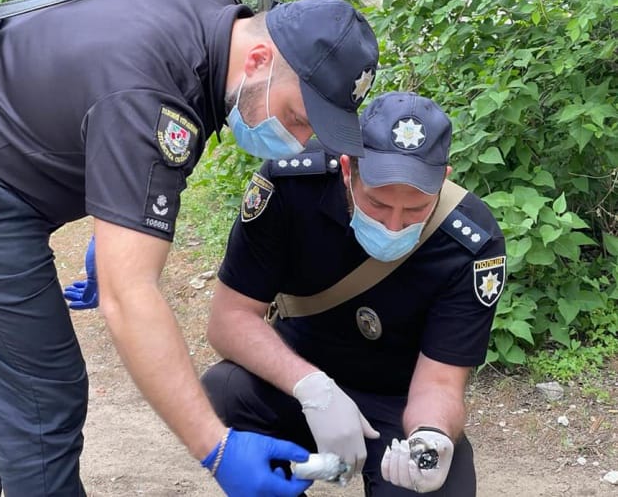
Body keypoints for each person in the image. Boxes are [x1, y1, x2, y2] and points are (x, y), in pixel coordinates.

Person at [0, 0, 379, 494]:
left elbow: (100, 85)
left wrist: (119, 219)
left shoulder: (210, 9)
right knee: (42, 404)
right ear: (259, 60)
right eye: (298, 118)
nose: (299, 142)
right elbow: (129, 297)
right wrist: (217, 447)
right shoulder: (152, 96)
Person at [199, 92, 507, 495]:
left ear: (443, 180)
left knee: (435, 479)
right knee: (225, 393)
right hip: (297, 381)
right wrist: (312, 387)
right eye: (377, 203)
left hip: (399, 403)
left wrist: (431, 435)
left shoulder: (469, 243)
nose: (394, 225)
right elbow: (230, 319)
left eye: (415, 210)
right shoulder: (292, 186)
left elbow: (440, 382)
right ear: (348, 169)